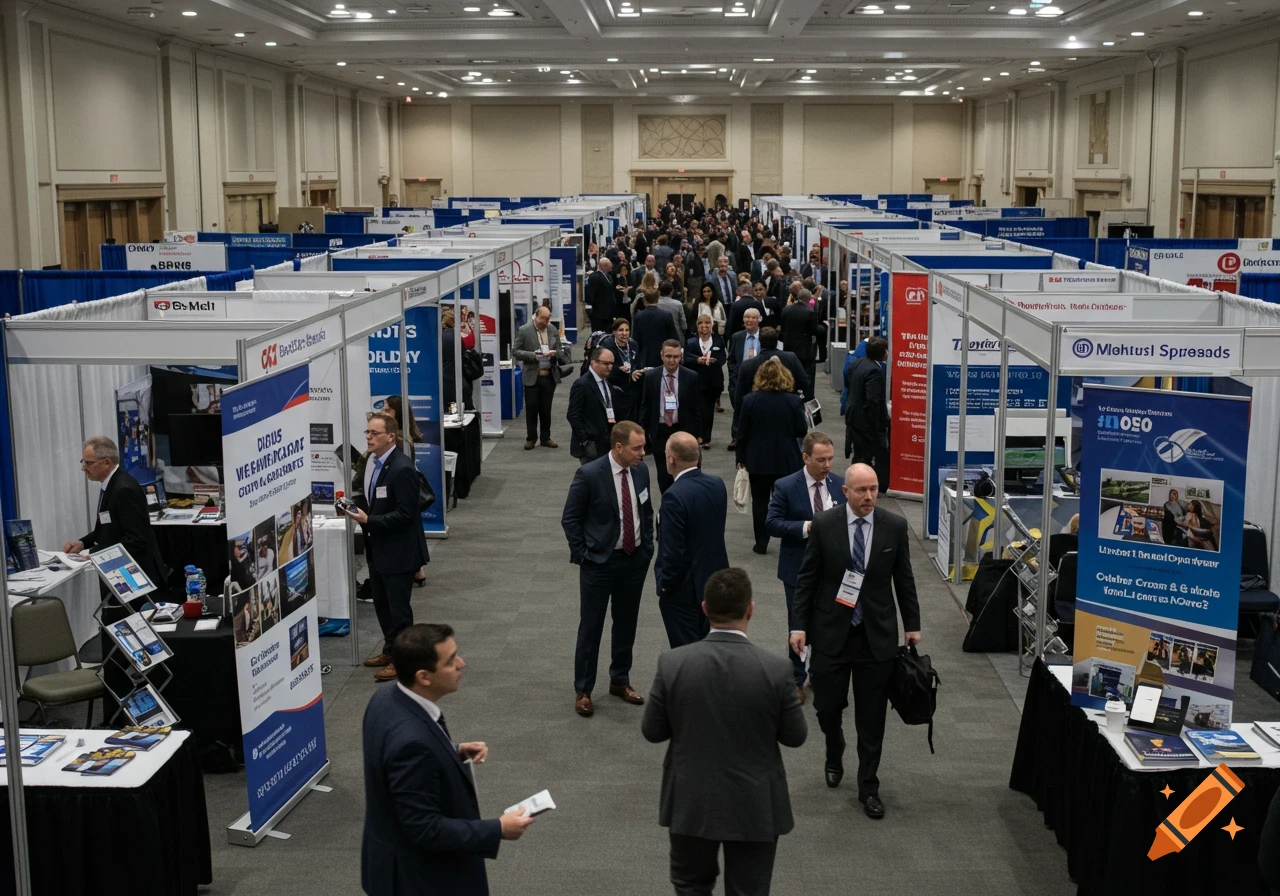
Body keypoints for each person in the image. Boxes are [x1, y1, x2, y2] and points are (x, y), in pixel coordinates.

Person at [641, 567, 806, 896]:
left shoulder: (673, 664)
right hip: (755, 806)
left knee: (690, 887)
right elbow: (795, 736)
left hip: (690, 804)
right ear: (751, 610)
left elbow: (652, 731)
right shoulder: (776, 670)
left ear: (704, 608)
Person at [361, 624, 535, 896]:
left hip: (390, 861)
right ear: (424, 676)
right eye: (452, 661)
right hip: (422, 880)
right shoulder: (412, 743)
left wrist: (451, 750)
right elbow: (425, 828)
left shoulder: (385, 698)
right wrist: (498, 828)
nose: (462, 664)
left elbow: (393, 758)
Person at [790, 463, 921, 820]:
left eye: (874, 489)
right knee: (827, 708)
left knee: (872, 717)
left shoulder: (893, 526)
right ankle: (835, 749)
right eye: (861, 490)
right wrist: (798, 626)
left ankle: (868, 786)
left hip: (875, 636)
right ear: (845, 491)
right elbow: (807, 579)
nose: (868, 497)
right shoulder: (825, 525)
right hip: (831, 632)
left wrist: (912, 624)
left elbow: (904, 578)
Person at [560, 421, 655, 717]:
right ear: (618, 447)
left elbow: (646, 511)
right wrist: (583, 554)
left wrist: (647, 548)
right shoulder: (589, 474)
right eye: (637, 448)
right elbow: (570, 519)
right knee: (591, 627)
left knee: (626, 623)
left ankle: (620, 680)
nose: (643, 453)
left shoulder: (641, 471)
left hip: (634, 560)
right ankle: (584, 689)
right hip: (598, 563)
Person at [347, 413, 431, 682]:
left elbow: (407, 514)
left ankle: (402, 662)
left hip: (399, 551)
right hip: (379, 547)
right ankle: (389, 649)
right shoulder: (374, 462)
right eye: (367, 432)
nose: (369, 437)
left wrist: (368, 520)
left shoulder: (402, 468)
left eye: (374, 433)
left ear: (390, 437)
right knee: (382, 605)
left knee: (399, 610)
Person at [765, 431, 846, 703]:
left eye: (831, 459)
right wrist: (806, 527)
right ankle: (796, 679)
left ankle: (820, 674)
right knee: (798, 624)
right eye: (821, 460)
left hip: (833, 570)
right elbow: (772, 523)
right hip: (797, 569)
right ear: (805, 457)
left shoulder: (839, 485)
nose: (827, 465)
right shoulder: (786, 486)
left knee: (828, 623)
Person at [63, 435, 169, 593]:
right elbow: (107, 528)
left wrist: (92, 552)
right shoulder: (110, 485)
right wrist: (83, 543)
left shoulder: (124, 489)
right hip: (121, 575)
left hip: (138, 578)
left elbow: (137, 539)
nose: (83, 468)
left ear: (107, 462)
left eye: (88, 463)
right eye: (83, 462)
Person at [653, 433, 729, 648]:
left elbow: (672, 551)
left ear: (671, 459)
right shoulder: (717, 484)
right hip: (715, 584)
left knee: (687, 655)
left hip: (684, 592)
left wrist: (664, 585)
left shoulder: (673, 496)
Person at [737, 358, 807, 556]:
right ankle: (790, 536)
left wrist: (740, 459)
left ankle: (761, 542)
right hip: (787, 459)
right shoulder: (793, 400)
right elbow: (801, 430)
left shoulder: (750, 400)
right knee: (788, 500)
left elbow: (742, 433)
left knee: (760, 501)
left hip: (758, 458)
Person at [640, 340, 703, 493]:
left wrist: (700, 434)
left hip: (683, 431)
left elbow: (697, 407)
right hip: (660, 432)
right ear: (661, 356)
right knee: (664, 476)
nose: (672, 360)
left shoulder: (691, 376)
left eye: (676, 357)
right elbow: (645, 405)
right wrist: (642, 432)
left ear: (681, 357)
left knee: (687, 474)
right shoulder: (651, 376)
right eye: (668, 356)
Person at [512, 305, 565, 451]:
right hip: (532, 376)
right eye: (543, 318)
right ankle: (531, 438)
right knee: (531, 408)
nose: (546, 322)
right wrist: (533, 356)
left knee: (546, 409)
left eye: (548, 319)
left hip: (549, 375)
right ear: (536, 316)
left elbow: (560, 348)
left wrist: (555, 353)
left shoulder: (552, 330)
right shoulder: (524, 330)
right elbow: (515, 351)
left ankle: (545, 437)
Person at [845, 336, 890, 491]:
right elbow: (872, 400)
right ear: (883, 353)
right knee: (870, 454)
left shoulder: (858, 363)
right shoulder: (874, 370)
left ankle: (855, 481)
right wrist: (877, 423)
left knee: (859, 452)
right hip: (866, 421)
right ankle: (870, 484)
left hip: (854, 416)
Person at [566, 347, 623, 464]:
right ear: (593, 362)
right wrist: (585, 440)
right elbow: (572, 415)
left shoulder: (607, 383)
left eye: (612, 363)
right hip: (591, 445)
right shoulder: (582, 384)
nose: (610, 367)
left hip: (606, 442)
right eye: (606, 363)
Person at [682, 314, 728, 448]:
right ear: (697, 326)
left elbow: (723, 358)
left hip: (712, 382)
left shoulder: (719, 340)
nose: (704, 326)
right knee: (697, 410)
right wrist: (697, 360)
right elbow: (685, 359)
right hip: (695, 381)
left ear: (712, 325)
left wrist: (713, 361)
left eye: (707, 323)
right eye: (701, 323)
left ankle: (706, 438)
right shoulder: (691, 342)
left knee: (708, 411)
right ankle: (698, 435)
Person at [778, 288, 819, 400]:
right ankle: (806, 397)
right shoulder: (810, 312)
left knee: (790, 374)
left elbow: (783, 328)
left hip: (788, 348)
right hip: (805, 351)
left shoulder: (786, 310)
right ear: (809, 299)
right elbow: (813, 330)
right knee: (806, 376)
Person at [600, 318, 643, 421]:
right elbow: (602, 367)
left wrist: (635, 371)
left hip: (630, 387)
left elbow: (638, 363)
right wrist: (618, 369)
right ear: (614, 332)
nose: (624, 333)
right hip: (613, 386)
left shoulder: (633, 344)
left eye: (627, 330)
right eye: (620, 330)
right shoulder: (607, 346)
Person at [632, 288, 680, 370]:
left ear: (644, 300)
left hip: (644, 358)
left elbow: (635, 340)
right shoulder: (666, 315)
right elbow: (674, 338)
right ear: (658, 299)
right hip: (662, 357)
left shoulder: (638, 317)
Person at [585, 256, 615, 333]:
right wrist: (590, 307)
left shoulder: (608, 276)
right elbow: (591, 294)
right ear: (603, 266)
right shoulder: (595, 277)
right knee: (598, 333)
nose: (610, 268)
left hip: (608, 313)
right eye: (609, 266)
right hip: (598, 313)